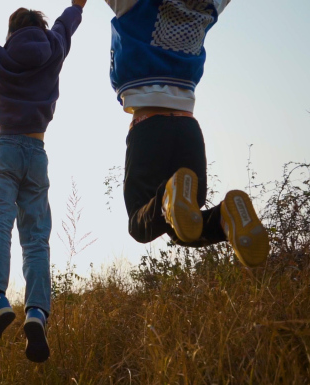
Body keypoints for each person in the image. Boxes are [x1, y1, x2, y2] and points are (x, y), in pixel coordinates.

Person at [0, 0, 85, 363]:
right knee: (35, 239)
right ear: (40, 29)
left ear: (12, 32)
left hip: (4, 149)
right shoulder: (53, 49)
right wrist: (78, 5)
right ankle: (36, 312)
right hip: (37, 150)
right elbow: (68, 22)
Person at [104, 0, 270, 266]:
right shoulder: (207, 5)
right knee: (183, 227)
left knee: (140, 223)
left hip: (149, 127)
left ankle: (169, 196)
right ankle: (225, 216)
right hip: (188, 129)